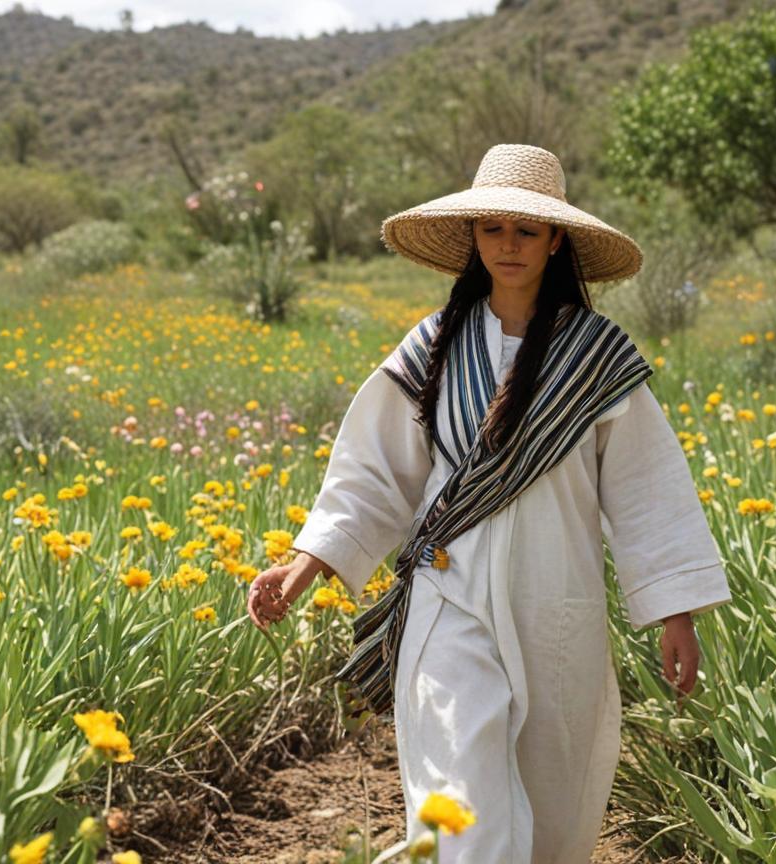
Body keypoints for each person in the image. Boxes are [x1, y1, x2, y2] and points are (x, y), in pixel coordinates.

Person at [244, 143, 732, 863]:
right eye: (493, 228)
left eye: (527, 230)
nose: (509, 244)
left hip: (557, 609)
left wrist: (676, 613)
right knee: (463, 810)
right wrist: (304, 565)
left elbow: (645, 490)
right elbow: (373, 475)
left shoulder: (596, 358)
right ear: (472, 236)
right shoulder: (433, 347)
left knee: (554, 809)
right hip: (448, 601)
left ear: (555, 239)